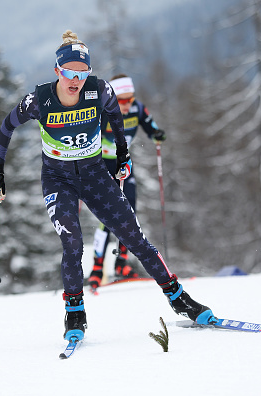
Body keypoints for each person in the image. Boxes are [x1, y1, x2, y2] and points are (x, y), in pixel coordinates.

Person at [0, 30, 216, 343]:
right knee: (72, 239)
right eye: (69, 72)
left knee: (134, 238)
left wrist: (123, 155)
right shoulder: (39, 100)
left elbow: (115, 118)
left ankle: (179, 298)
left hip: (94, 174)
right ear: (57, 70)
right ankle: (75, 313)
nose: (76, 80)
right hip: (59, 178)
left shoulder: (100, 91)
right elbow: (6, 127)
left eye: (83, 73)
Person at [87, 74, 166, 291]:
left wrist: (157, 134)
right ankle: (97, 268)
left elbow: (152, 128)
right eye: (121, 100)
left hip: (124, 166)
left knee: (129, 214)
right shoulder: (102, 112)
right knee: (107, 218)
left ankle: (121, 263)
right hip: (101, 167)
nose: (126, 105)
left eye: (130, 99)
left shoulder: (137, 109)